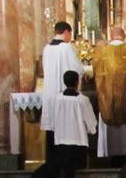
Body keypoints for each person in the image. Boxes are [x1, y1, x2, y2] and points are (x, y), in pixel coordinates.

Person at [33, 70, 97, 178]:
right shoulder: (83, 100)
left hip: (60, 145)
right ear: (77, 82)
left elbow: (53, 121)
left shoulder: (58, 99)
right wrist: (90, 129)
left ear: (64, 82)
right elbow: (92, 125)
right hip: (78, 147)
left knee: (60, 167)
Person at [92, 27, 126, 163]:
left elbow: (94, 75)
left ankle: (109, 155)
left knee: (110, 133)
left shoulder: (100, 52)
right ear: (124, 36)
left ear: (111, 36)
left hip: (108, 102)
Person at [40, 21, 85, 162]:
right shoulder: (66, 48)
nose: (70, 37)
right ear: (66, 32)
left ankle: (51, 161)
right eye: (70, 34)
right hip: (64, 95)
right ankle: (65, 161)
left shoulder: (46, 49)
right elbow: (77, 70)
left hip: (49, 95)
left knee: (52, 131)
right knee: (65, 129)